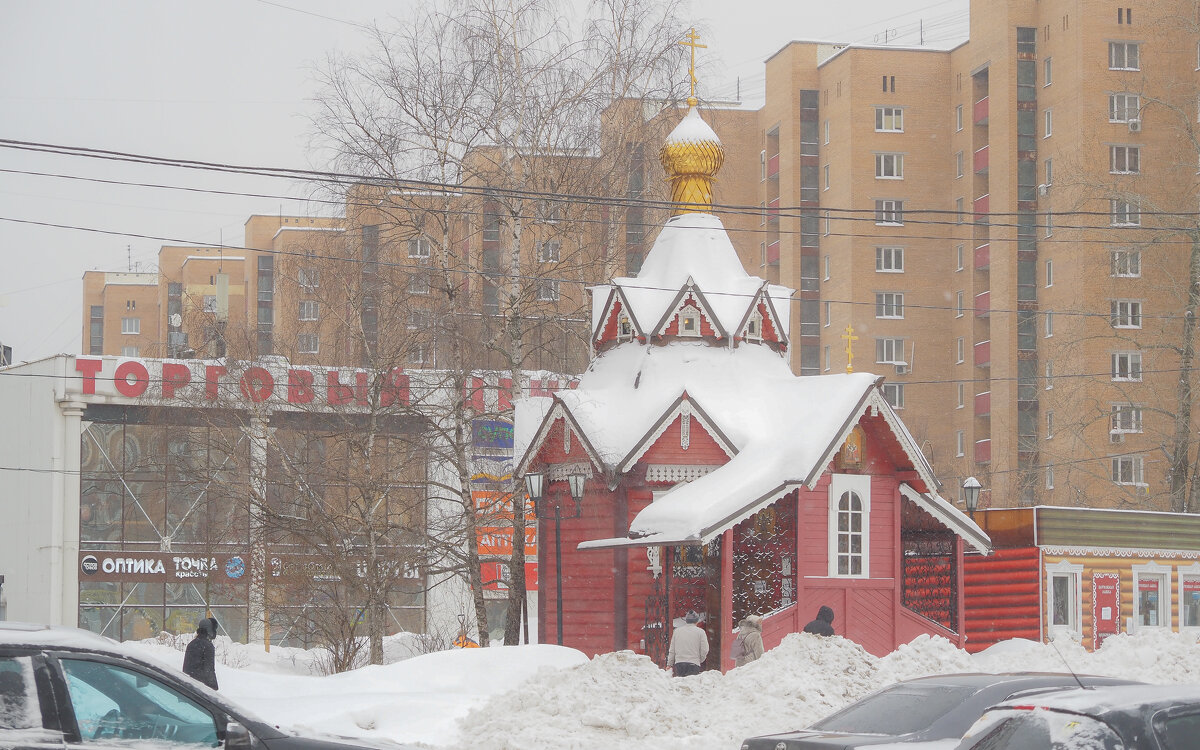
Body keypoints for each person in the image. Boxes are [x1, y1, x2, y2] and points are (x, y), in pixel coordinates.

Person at [667, 611, 709, 677]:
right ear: (696, 621)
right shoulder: (701, 632)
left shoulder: (677, 631)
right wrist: (699, 659)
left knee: (681, 685)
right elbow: (705, 649)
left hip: (679, 664)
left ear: (686, 620)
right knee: (691, 685)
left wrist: (669, 664)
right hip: (694, 664)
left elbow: (672, 649)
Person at [182, 617, 219, 690]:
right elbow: (209, 670)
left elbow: (186, 669)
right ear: (209, 629)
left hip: (188, 686)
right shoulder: (208, 646)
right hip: (202, 689)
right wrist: (214, 687)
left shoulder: (191, 644)